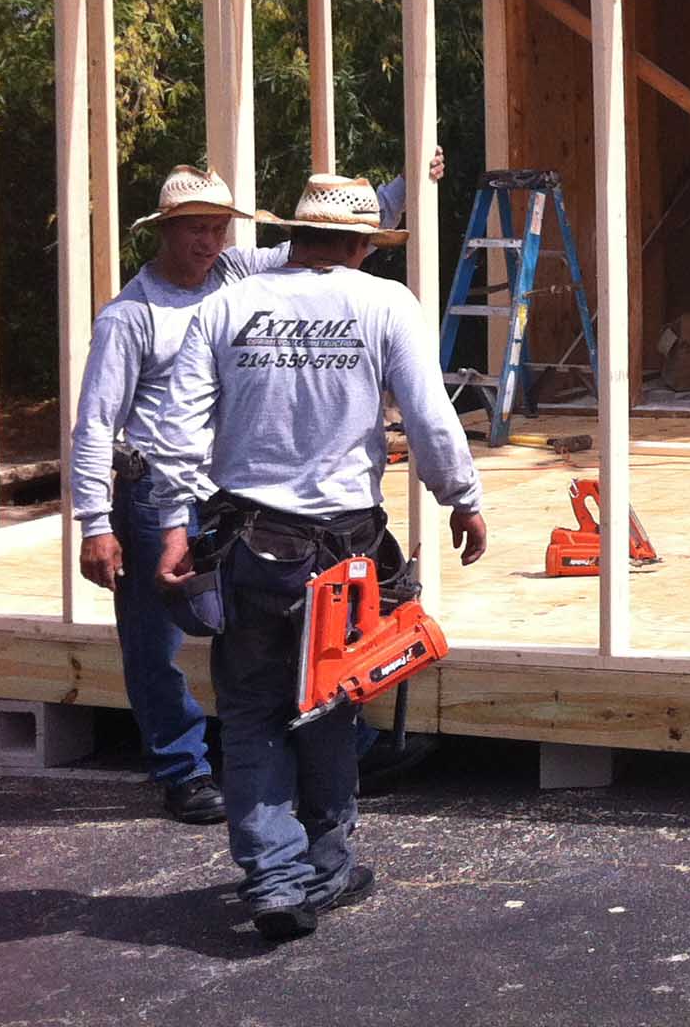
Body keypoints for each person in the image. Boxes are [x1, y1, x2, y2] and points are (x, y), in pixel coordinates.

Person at [141, 172, 485, 943]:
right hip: (343, 554)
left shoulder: (226, 306)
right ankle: (325, 868)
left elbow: (178, 426)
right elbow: (429, 415)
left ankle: (274, 877)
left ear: (293, 234)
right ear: (363, 245)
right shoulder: (383, 303)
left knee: (253, 709)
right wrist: (461, 497)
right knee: (331, 699)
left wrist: (170, 526)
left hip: (247, 546)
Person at [69, 155, 441, 824]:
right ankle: (182, 767)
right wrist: (95, 522)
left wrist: (407, 182)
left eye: (218, 227)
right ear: (163, 230)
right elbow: (95, 422)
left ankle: (344, 742)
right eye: (194, 228)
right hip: (154, 492)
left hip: (227, 493)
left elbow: (330, 242)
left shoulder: (234, 274)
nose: (208, 241)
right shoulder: (131, 316)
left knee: (275, 616)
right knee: (157, 638)